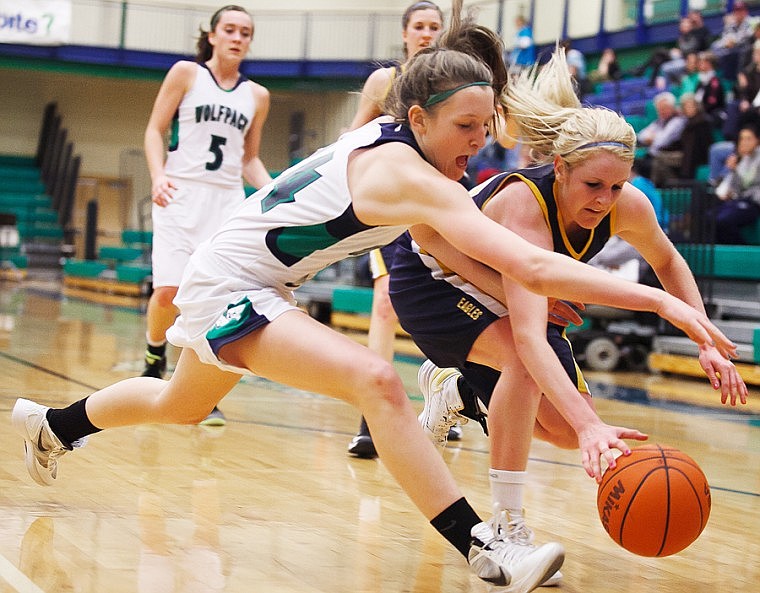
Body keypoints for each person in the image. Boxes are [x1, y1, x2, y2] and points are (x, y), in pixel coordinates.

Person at [11, 5, 737, 591]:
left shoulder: (409, 152)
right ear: (418, 118)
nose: (477, 144)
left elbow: (470, 255)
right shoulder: (408, 176)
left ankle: (54, 423)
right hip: (232, 283)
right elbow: (532, 266)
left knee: (180, 405)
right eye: (464, 129)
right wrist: (666, 306)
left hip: (251, 276)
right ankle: (485, 548)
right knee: (376, 378)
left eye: (483, 130)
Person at [388, 48, 747, 584]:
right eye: (593, 186)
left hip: (511, 284)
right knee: (523, 361)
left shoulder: (626, 206)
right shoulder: (524, 209)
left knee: (557, 428)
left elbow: (668, 260)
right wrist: (593, 429)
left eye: (617, 186)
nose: (605, 200)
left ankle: (460, 394)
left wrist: (703, 339)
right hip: (434, 276)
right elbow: (531, 339)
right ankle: (507, 526)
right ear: (559, 168)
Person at [141, 5, 273, 427]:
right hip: (179, 193)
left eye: (245, 32)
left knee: (214, 300)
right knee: (167, 293)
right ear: (212, 35)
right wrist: (158, 175)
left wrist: (273, 192)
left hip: (226, 201)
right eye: (229, 29)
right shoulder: (185, 74)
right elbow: (152, 130)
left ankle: (199, 388)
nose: (237, 37)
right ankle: (153, 352)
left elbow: (248, 158)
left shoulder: (257, 96)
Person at [343, 1, 450, 459]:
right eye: (418, 26)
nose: (426, 33)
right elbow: (350, 139)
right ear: (405, 33)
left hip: (439, 204)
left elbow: (499, 137)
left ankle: (446, 403)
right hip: (392, 208)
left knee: (446, 301)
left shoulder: (455, 83)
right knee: (385, 305)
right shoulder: (384, 81)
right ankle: (371, 416)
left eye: (434, 26)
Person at [713, 123, 760, 244]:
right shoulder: (743, 159)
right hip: (740, 201)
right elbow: (737, 189)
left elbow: (752, 186)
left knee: (723, 220)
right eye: (742, 139)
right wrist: (733, 169)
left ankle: (743, 251)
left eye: (748, 138)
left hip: (754, 203)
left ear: (757, 141)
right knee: (709, 217)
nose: (744, 142)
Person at [636, 91, 687, 186]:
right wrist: (652, 137)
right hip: (654, 155)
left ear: (671, 107)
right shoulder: (659, 121)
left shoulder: (677, 121)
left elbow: (662, 141)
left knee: (647, 164)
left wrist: (652, 138)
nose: (661, 112)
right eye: (659, 109)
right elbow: (641, 135)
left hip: (672, 156)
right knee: (636, 161)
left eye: (664, 108)